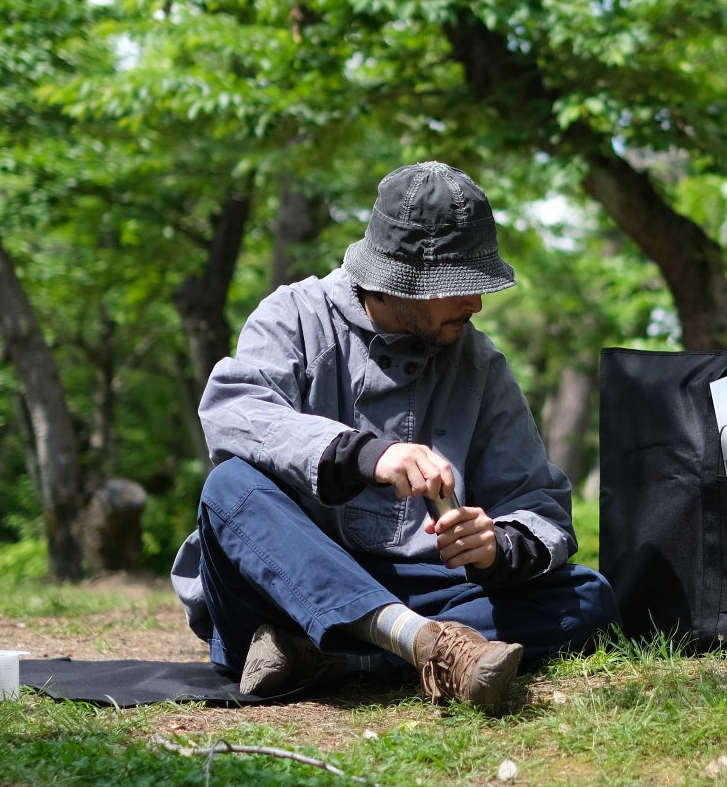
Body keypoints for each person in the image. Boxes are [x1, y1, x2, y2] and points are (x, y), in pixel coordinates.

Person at [170, 161, 617, 714]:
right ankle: (423, 645)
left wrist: (495, 545)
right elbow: (235, 412)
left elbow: (538, 503)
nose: (477, 303)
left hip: (411, 588)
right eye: (461, 286)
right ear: (399, 279)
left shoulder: (480, 363)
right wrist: (366, 454)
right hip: (282, 594)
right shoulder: (293, 315)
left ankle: (340, 655)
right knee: (227, 486)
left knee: (589, 596)